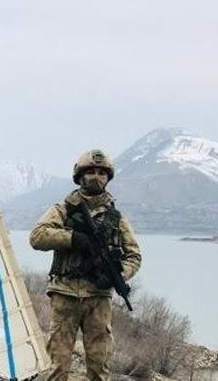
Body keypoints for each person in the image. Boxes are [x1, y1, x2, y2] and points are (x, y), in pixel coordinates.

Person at [29, 150, 142, 381]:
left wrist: (119, 274)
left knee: (99, 367)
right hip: (65, 295)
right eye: (90, 171)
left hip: (98, 300)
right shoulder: (63, 210)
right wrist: (72, 238)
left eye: (102, 173)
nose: (96, 177)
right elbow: (37, 237)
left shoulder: (116, 218)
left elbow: (134, 256)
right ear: (80, 176)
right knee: (57, 367)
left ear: (107, 178)